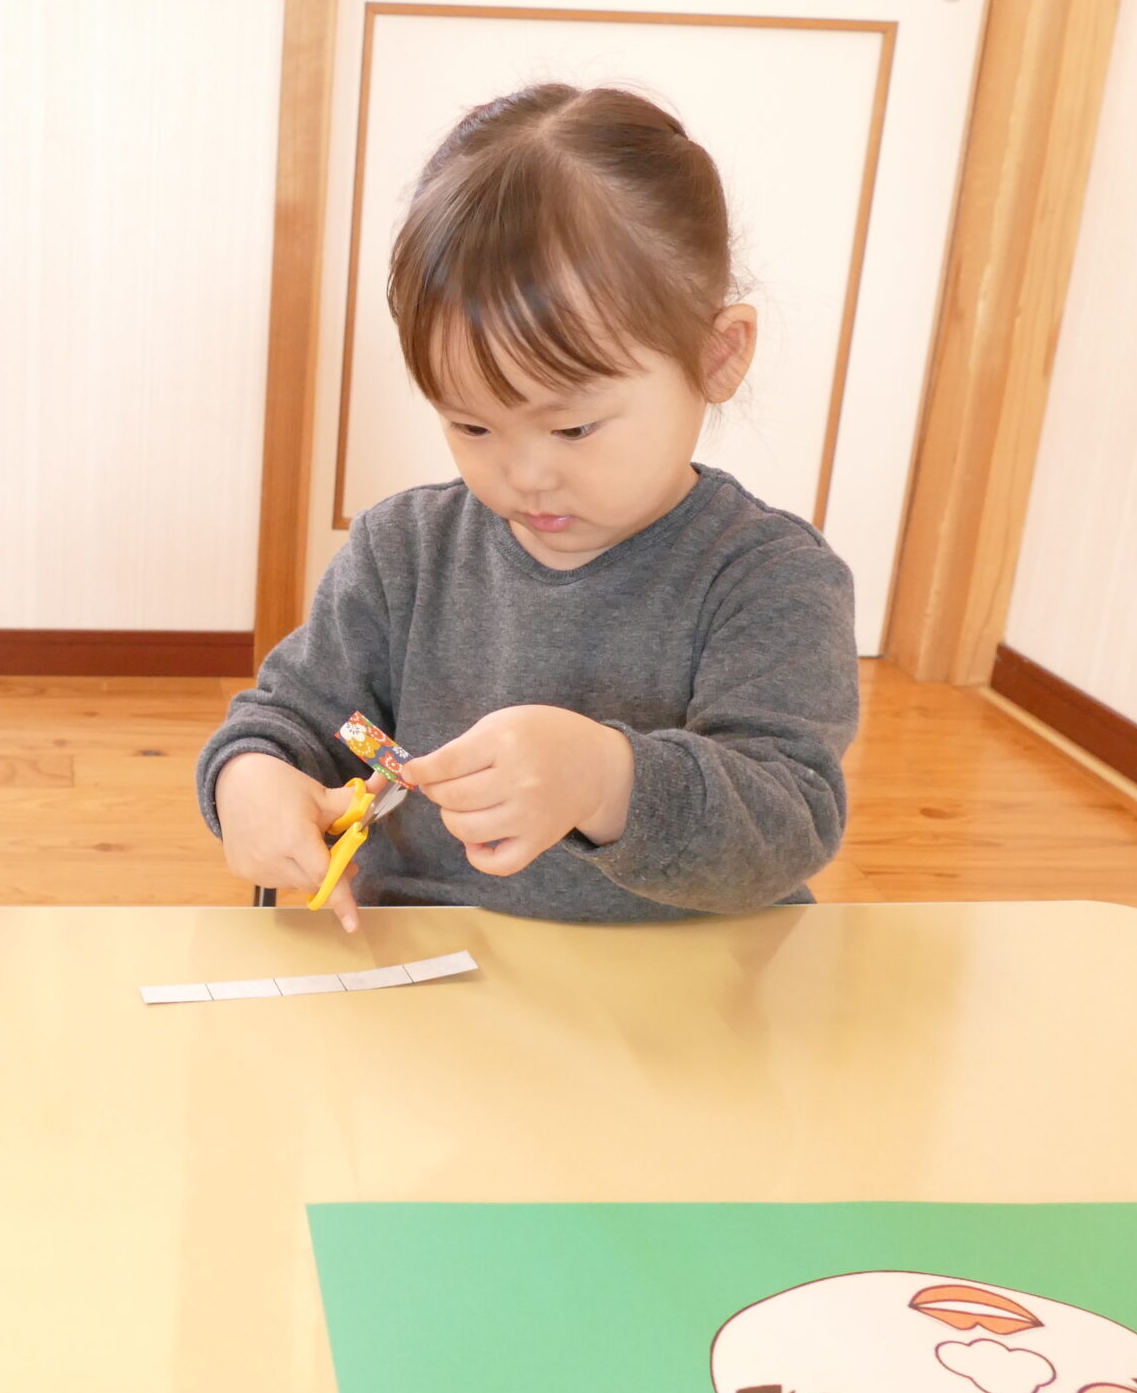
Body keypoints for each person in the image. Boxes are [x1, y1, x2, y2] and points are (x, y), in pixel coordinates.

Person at [198, 83, 857, 928]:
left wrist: (606, 780)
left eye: (572, 427)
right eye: (471, 425)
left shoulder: (769, 580)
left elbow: (788, 819)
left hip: (684, 981)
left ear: (717, 356)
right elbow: (298, 718)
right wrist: (250, 778)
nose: (523, 474)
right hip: (434, 966)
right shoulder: (403, 554)